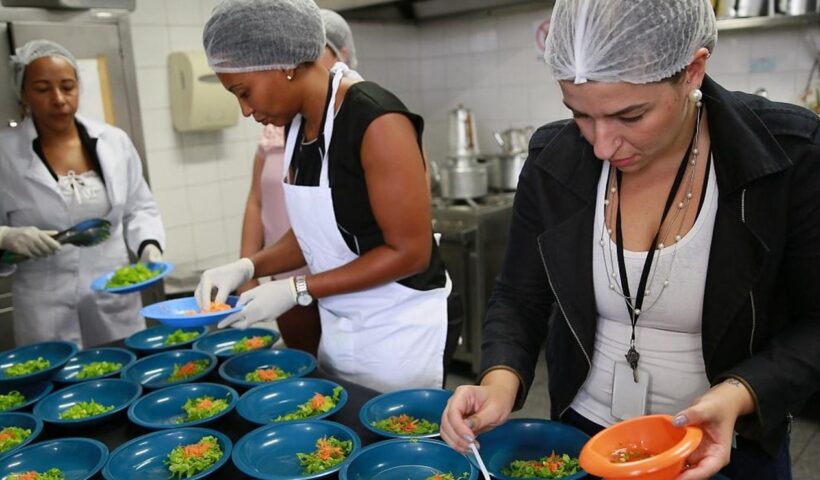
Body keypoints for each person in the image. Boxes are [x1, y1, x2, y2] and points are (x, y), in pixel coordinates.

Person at [440, 1, 819, 479]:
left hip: (721, 448)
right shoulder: (553, 160)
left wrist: (738, 393)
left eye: (631, 116)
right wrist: (500, 379)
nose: (601, 145)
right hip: (583, 439)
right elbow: (519, 296)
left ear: (693, 71)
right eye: (579, 114)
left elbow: (814, 323)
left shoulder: (789, 156)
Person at [197, 0, 452, 393]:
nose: (246, 110)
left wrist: (298, 289)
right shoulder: (298, 125)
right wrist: (248, 266)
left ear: (281, 62)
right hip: (341, 325)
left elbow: (411, 252)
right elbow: (320, 232)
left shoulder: (376, 120)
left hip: (400, 331)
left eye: (244, 92)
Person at [0, 40, 166, 348]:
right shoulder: (4, 153)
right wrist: (6, 236)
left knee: (122, 376)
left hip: (113, 299)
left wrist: (149, 246)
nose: (59, 99)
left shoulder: (113, 141)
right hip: (45, 311)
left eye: (67, 86)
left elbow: (139, 207)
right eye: (42, 88)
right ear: (23, 94)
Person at [237, 8, 361, 356]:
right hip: (286, 270)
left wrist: (297, 285)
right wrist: (247, 265)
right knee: (307, 371)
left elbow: (403, 244)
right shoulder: (282, 128)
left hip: (350, 282)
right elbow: (257, 200)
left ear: (341, 54)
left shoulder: (367, 118)